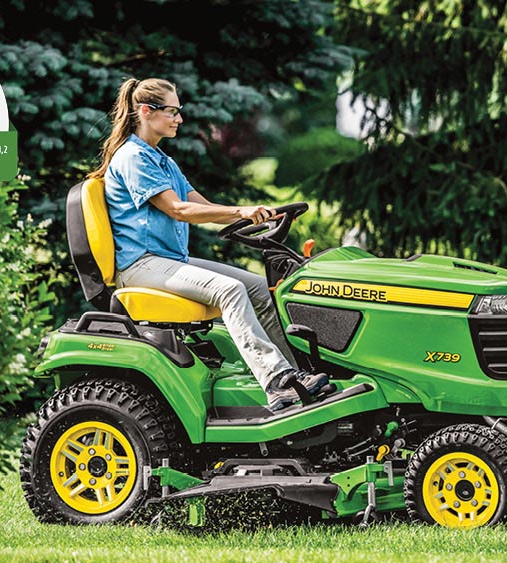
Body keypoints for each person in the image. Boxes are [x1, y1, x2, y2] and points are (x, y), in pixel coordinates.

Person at [87, 77, 331, 412]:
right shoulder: (133, 158)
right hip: (141, 265)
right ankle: (277, 384)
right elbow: (178, 209)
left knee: (260, 288)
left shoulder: (161, 160)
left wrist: (257, 217)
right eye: (172, 112)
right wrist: (239, 211)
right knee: (229, 290)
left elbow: (199, 203)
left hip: (168, 259)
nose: (179, 119)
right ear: (146, 111)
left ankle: (299, 376)